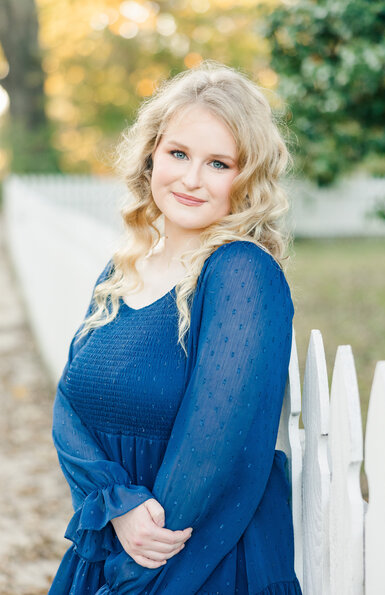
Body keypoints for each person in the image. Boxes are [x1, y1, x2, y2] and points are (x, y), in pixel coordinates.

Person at [49, 60, 302, 595]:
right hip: (113, 541)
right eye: (179, 154)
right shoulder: (123, 268)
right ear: (151, 155)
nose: (190, 179)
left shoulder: (241, 273)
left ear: (247, 176)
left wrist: (138, 567)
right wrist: (115, 503)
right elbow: (68, 404)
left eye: (218, 163)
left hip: (196, 561)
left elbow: (215, 447)